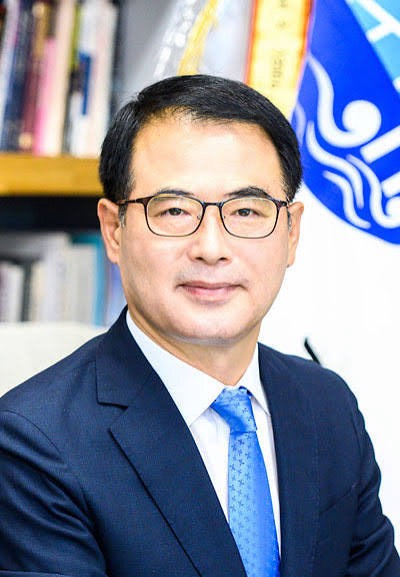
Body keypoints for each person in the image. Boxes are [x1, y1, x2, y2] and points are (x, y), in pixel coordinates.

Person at [0, 74, 398, 577]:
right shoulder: (33, 445)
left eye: (247, 210)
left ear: (292, 232)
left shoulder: (327, 405)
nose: (211, 248)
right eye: (174, 210)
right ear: (114, 230)